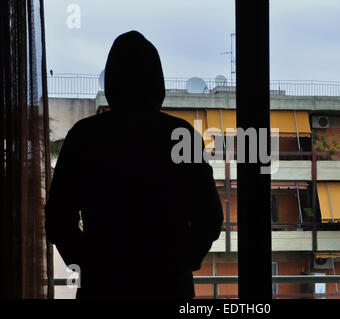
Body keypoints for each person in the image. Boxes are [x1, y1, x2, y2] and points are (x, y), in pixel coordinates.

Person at [45, 31, 223, 299]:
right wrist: (181, 262)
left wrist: (91, 264)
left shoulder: (85, 136)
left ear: (113, 81)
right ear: (156, 81)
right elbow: (209, 218)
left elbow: (58, 221)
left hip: (103, 288)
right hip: (168, 287)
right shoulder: (179, 135)